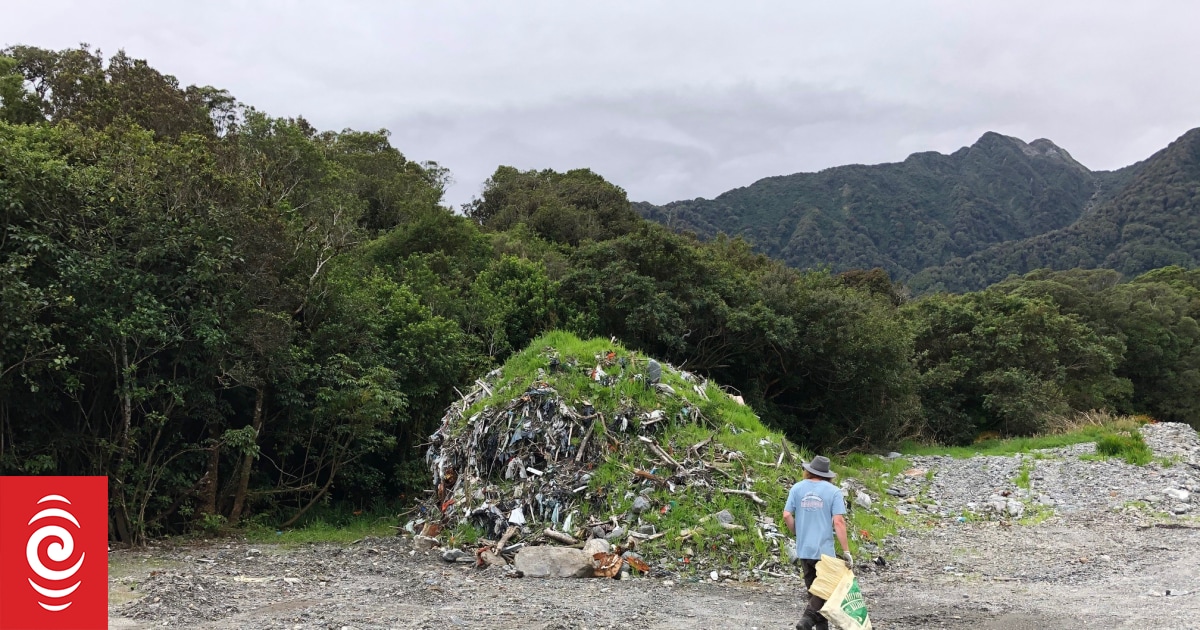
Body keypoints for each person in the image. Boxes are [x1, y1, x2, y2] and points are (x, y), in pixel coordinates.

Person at [783, 455, 852, 630]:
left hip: (804, 549)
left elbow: (786, 515)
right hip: (824, 551)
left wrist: (797, 532)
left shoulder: (797, 488)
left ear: (809, 471)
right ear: (827, 474)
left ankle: (820, 626)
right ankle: (806, 620)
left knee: (815, 592)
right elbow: (839, 522)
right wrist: (846, 551)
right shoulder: (833, 491)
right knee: (827, 589)